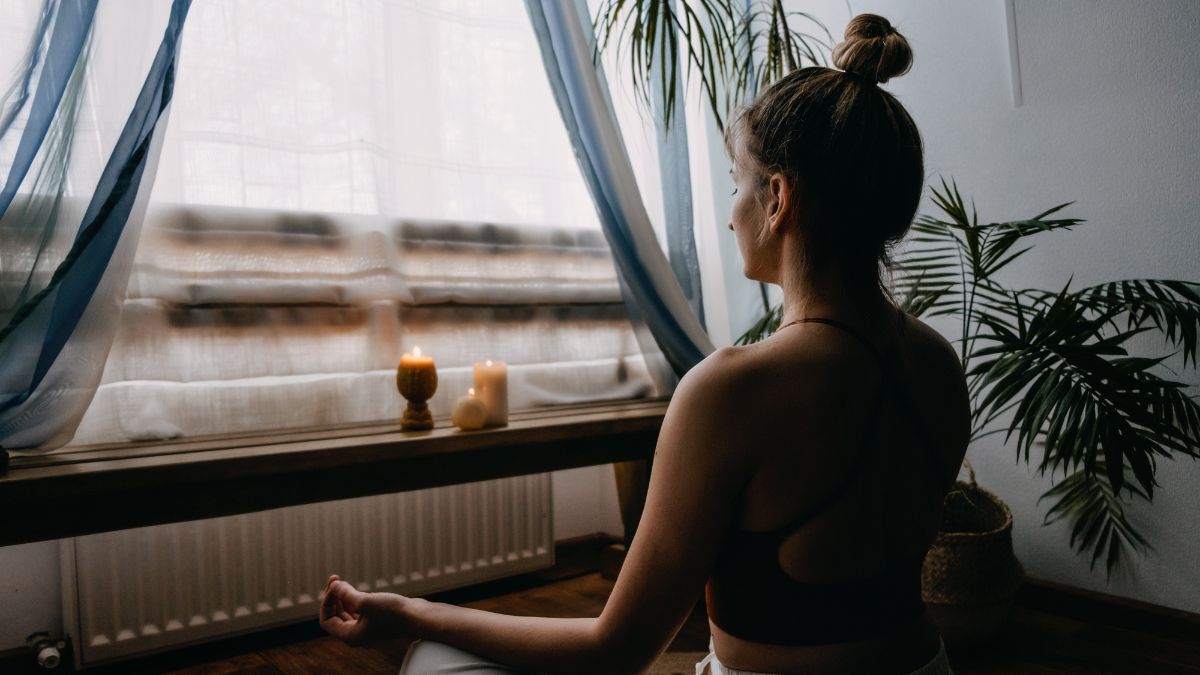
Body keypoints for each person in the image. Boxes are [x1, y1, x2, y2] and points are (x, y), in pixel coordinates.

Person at [320, 13, 969, 675]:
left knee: (432, 657)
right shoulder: (938, 365)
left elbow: (615, 649)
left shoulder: (734, 389)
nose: (729, 210)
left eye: (735, 182)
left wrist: (406, 611)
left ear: (777, 198)